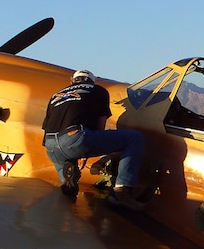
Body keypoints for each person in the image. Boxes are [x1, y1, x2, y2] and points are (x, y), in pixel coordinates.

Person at [42, 69, 145, 210]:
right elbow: (100, 127)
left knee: (67, 175)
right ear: (92, 81)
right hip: (74, 138)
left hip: (51, 146)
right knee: (134, 138)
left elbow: (46, 128)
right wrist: (97, 152)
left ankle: (69, 181)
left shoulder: (55, 96)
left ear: (71, 80)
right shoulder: (98, 90)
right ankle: (122, 191)